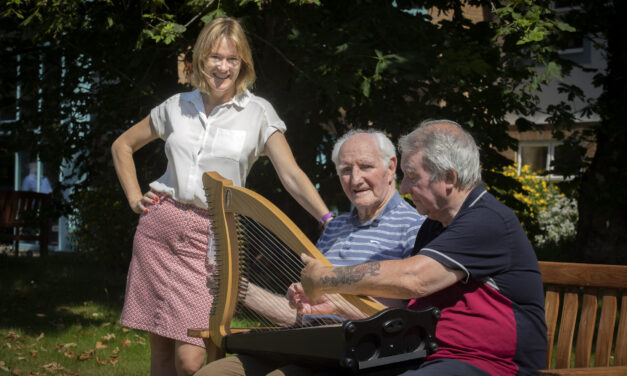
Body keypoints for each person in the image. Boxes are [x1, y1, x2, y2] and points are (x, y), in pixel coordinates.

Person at [111, 17, 335, 376]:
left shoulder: (258, 113)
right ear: (202, 59)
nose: (223, 67)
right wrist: (135, 197)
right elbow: (122, 146)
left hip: (213, 238)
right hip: (160, 229)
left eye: (232, 59)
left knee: (192, 360)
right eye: (216, 57)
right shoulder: (176, 106)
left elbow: (291, 175)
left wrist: (328, 219)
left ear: (243, 64)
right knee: (161, 355)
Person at [295, 120, 547, 376]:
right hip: (425, 356)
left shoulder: (488, 221)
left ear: (449, 178)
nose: (403, 188)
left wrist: (326, 278)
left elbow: (412, 278)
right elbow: (411, 313)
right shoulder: (434, 226)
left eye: (412, 177)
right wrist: (339, 307)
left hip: (491, 364)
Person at [194, 129, 426, 375]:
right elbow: (300, 315)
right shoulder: (335, 228)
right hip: (306, 347)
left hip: (364, 355)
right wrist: (240, 289)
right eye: (346, 170)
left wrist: (336, 306)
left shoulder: (414, 227)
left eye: (366, 167)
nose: (355, 179)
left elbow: (406, 319)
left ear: (391, 167)